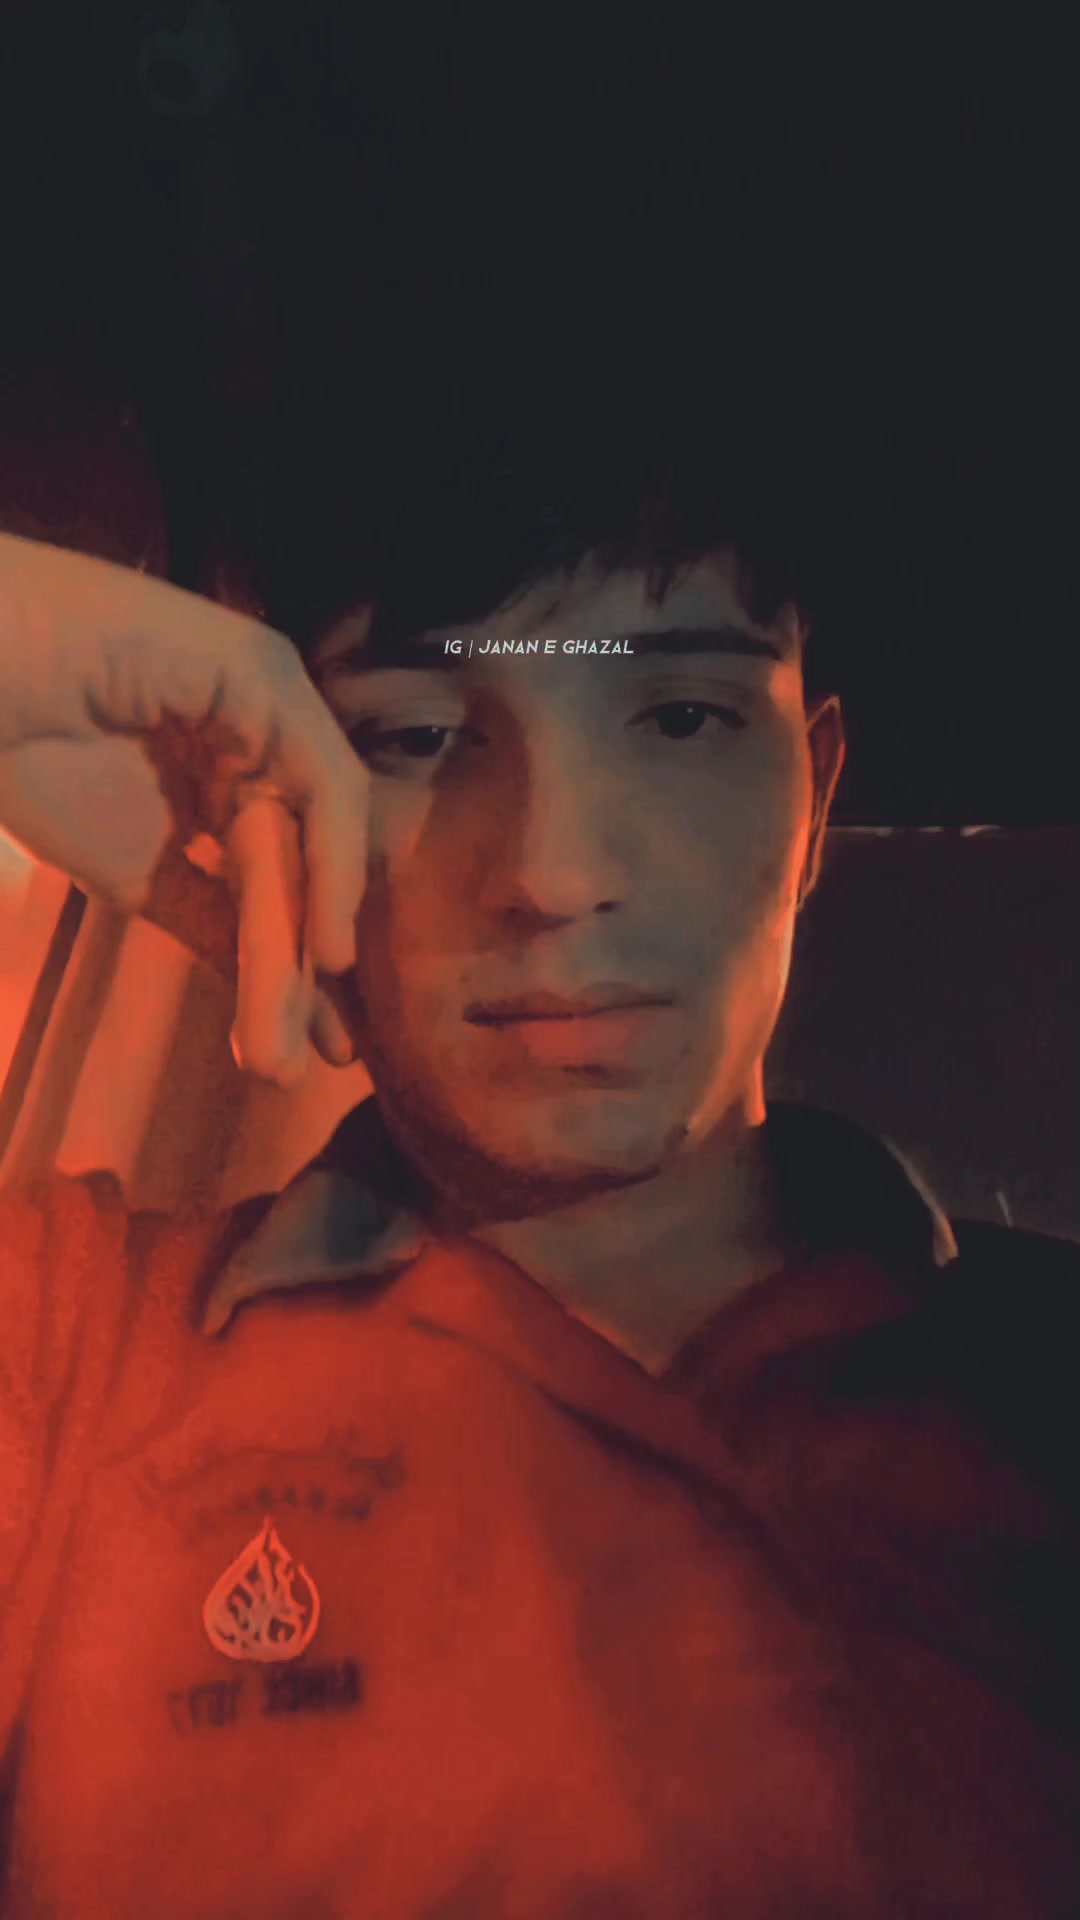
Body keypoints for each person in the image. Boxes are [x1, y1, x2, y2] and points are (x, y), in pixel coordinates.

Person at [0, 424, 1076, 1918]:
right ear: (275, 794)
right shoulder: (76, 1351)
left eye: (682, 718)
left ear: (814, 798)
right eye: (416, 736)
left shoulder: (1037, 1393)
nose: (556, 875)